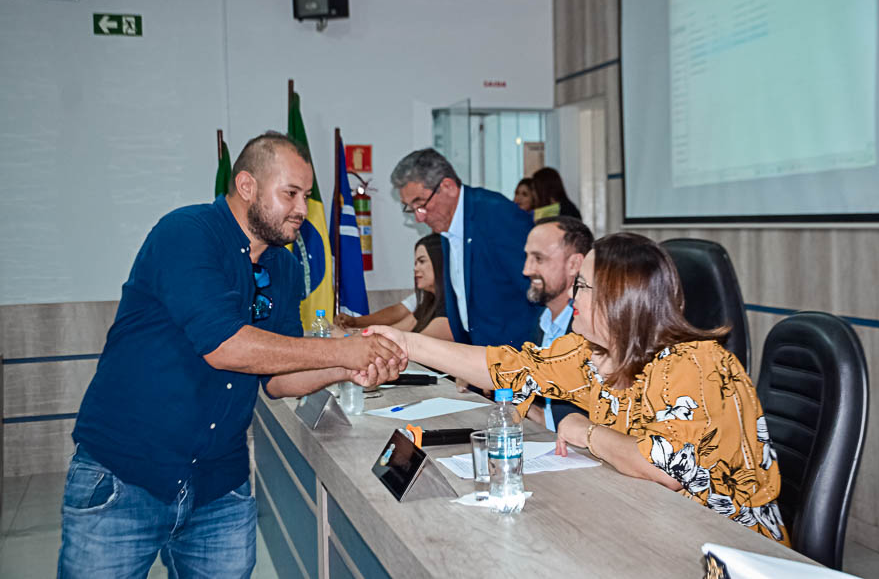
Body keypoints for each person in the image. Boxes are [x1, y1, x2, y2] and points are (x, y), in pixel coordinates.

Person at [59, 133, 405, 578]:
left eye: (306, 195)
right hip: (125, 478)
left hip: (218, 487)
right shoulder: (186, 233)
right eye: (290, 193)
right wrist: (343, 348)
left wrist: (349, 365)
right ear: (246, 186)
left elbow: (278, 381)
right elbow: (226, 347)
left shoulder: (282, 265)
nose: (302, 209)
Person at [369, 233, 787, 544]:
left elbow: (665, 467)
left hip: (729, 549)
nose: (571, 296)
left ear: (617, 298)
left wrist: (584, 430)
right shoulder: (593, 355)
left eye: (582, 286)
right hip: (652, 528)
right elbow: (510, 366)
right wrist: (407, 343)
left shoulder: (694, 363)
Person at [390, 148, 539, 347]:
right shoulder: (447, 227)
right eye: (411, 208)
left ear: (448, 186)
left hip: (517, 355)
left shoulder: (496, 215)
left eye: (421, 203)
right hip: (478, 358)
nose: (419, 217)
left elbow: (537, 289)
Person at [521, 216, 593, 431]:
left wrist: (536, 414)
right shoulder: (541, 319)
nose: (526, 270)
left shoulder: (592, 331)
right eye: (527, 257)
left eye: (539, 259)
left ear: (574, 265)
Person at [336, 234, 452, 340]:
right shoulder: (427, 303)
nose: (415, 269)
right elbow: (397, 329)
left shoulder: (449, 311)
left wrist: (349, 335)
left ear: (440, 263)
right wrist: (347, 333)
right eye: (415, 263)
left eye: (422, 261)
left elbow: (412, 343)